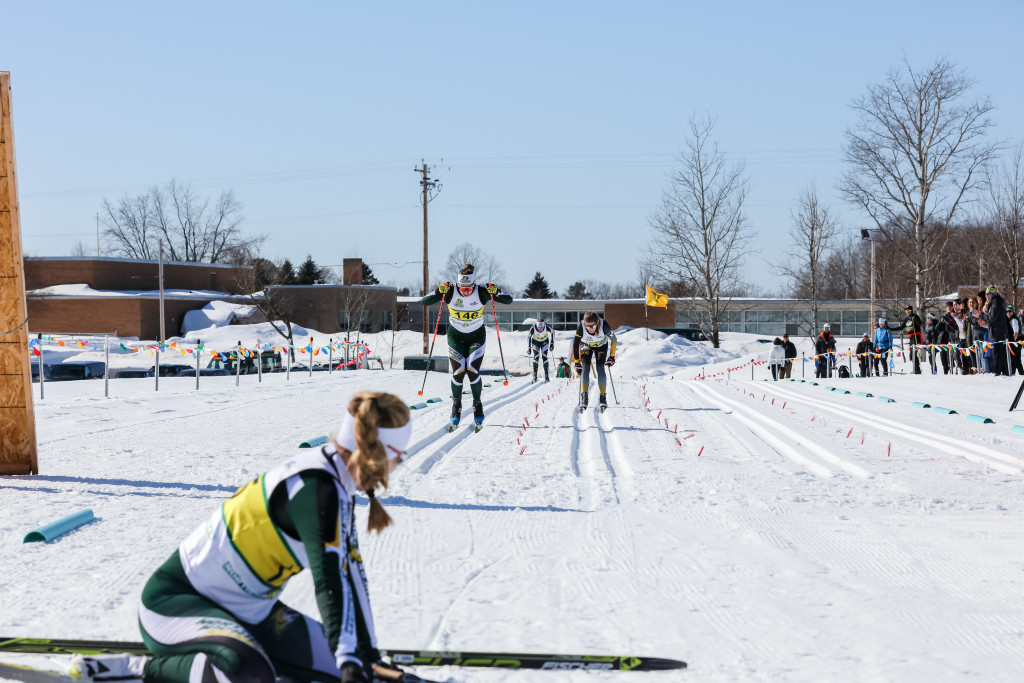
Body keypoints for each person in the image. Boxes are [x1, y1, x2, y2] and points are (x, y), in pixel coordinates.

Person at [73, 392, 412, 683]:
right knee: (250, 675)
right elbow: (329, 583)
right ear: (378, 453)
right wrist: (350, 657)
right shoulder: (317, 490)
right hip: (176, 605)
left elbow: (352, 574)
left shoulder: (339, 483)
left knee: (356, 671)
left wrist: (366, 656)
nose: (397, 466)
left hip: (250, 613)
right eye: (399, 457)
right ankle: (140, 670)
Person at [420, 264, 513, 430]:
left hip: (476, 336)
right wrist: (438, 291)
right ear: (458, 285)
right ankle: (456, 408)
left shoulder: (481, 292)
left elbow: (509, 300)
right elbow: (424, 301)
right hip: (456, 336)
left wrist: (496, 291)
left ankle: (477, 405)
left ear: (473, 284)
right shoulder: (450, 291)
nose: (466, 292)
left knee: (471, 369)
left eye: (469, 288)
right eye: (462, 288)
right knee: (458, 371)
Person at [571, 311, 617, 410]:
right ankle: (584, 397)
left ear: (597, 322)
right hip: (586, 345)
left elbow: (614, 339)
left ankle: (603, 397)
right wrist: (577, 362)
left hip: (601, 345)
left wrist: (612, 356)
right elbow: (575, 344)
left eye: (592, 326)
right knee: (585, 367)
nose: (590, 329)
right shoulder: (581, 327)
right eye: (587, 326)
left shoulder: (604, 325)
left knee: (600, 367)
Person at [979, 286, 1010, 376]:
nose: (987, 296)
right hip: (997, 332)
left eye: (989, 294)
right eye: (986, 295)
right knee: (998, 354)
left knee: (997, 354)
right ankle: (1003, 372)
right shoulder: (995, 303)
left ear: (994, 294)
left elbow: (992, 318)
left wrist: (981, 315)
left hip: (998, 333)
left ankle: (998, 372)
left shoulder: (996, 303)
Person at [526, 318, 554, 383]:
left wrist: (552, 343)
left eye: (542, 327)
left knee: (544, 356)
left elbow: (553, 332)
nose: (540, 329)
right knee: (536, 357)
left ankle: (546, 376)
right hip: (535, 342)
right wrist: (529, 348)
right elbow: (529, 337)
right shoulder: (533, 328)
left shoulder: (546, 326)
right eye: (539, 327)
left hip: (544, 341)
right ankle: (535, 375)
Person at [902, 305, 924, 374]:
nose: (907, 312)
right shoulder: (907, 319)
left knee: (914, 354)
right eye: (906, 311)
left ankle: (917, 370)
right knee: (911, 356)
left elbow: (920, 323)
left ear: (911, 310)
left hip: (916, 336)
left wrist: (914, 319)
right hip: (911, 338)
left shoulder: (915, 316)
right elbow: (901, 327)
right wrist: (891, 329)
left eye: (908, 310)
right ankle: (916, 369)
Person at [1008, 305, 1023, 376]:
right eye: (1007, 311)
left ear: (1013, 312)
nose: (1008, 313)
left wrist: (1013, 342)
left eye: (1010, 311)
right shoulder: (1011, 319)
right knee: (1016, 359)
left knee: (1015, 358)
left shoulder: (1014, 319)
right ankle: (1019, 373)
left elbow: (1016, 332)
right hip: (1016, 341)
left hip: (1016, 341)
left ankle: (1017, 373)